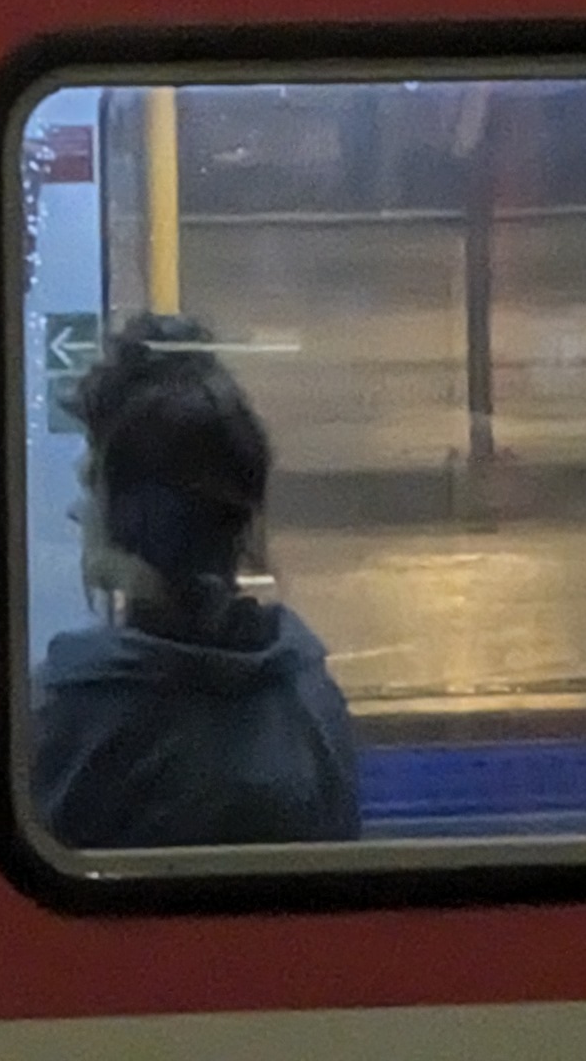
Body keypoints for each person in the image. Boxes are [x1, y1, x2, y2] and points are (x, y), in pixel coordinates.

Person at [30, 315, 362, 850]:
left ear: (137, 520)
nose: (76, 513)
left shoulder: (74, 718)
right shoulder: (309, 702)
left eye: (93, 486)